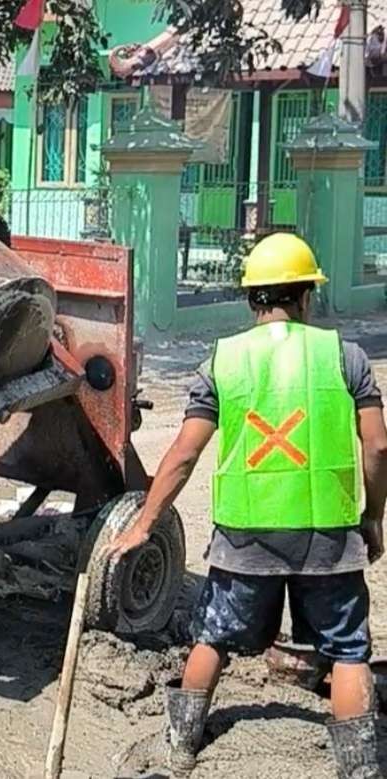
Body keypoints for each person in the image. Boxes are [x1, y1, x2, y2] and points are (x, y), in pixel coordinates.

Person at [104, 233, 387, 778]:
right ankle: (359, 770)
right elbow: (377, 445)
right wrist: (372, 516)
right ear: (306, 296)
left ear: (251, 298)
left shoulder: (222, 361)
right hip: (328, 536)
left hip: (244, 537)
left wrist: (144, 523)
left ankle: (181, 746)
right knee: (348, 650)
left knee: (212, 637)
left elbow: (184, 453)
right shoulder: (344, 357)